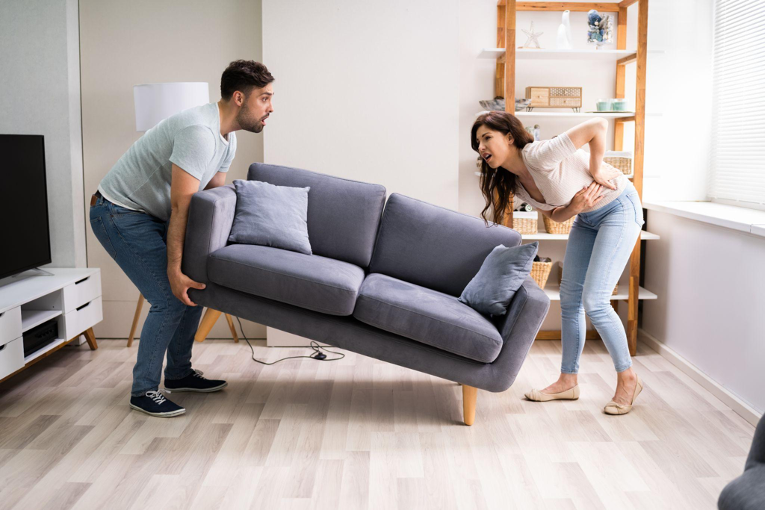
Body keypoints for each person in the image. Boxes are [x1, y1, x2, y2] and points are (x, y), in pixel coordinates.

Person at [89, 60, 275, 417]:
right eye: (264, 98)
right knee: (170, 296)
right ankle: (143, 391)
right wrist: (175, 269)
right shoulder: (198, 132)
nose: (270, 107)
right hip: (118, 212)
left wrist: (211, 260)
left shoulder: (227, 138)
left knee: (194, 286)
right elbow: (182, 207)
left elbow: (209, 205)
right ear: (239, 98)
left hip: (153, 215)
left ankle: (178, 373)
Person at [472, 111, 644, 415]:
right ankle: (568, 380)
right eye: (478, 143)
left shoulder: (538, 155)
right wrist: (576, 206)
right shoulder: (516, 183)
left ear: (509, 137)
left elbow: (596, 125)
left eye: (487, 138)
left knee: (596, 301)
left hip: (618, 207)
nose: (482, 147)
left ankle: (628, 378)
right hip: (587, 218)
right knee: (569, 299)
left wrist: (596, 168)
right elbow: (555, 216)